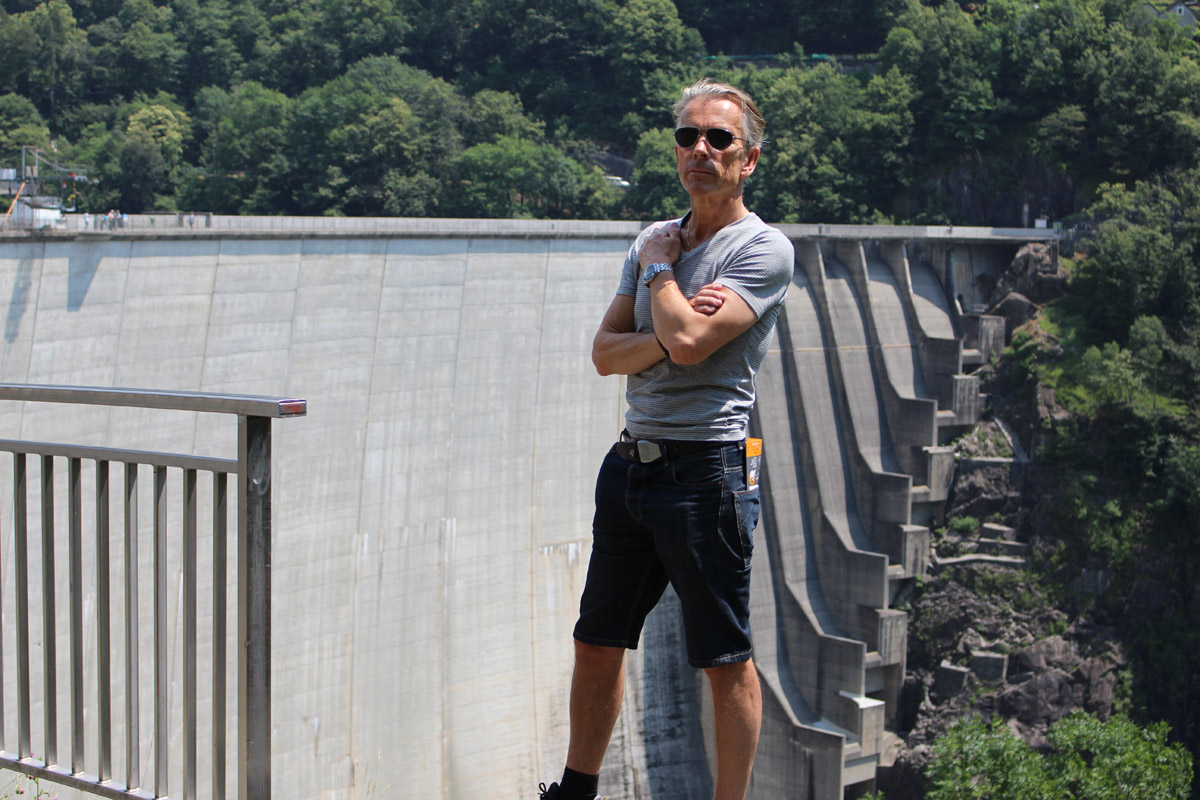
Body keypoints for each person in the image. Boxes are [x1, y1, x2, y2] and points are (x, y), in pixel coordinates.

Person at [539, 79, 794, 800]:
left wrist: (659, 285)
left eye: (720, 139)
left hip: (707, 473)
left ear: (749, 161)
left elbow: (682, 346)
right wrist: (669, 319)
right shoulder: (652, 238)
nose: (701, 151)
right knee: (596, 642)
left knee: (723, 657)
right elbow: (604, 354)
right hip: (630, 467)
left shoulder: (763, 250)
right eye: (688, 137)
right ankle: (577, 790)